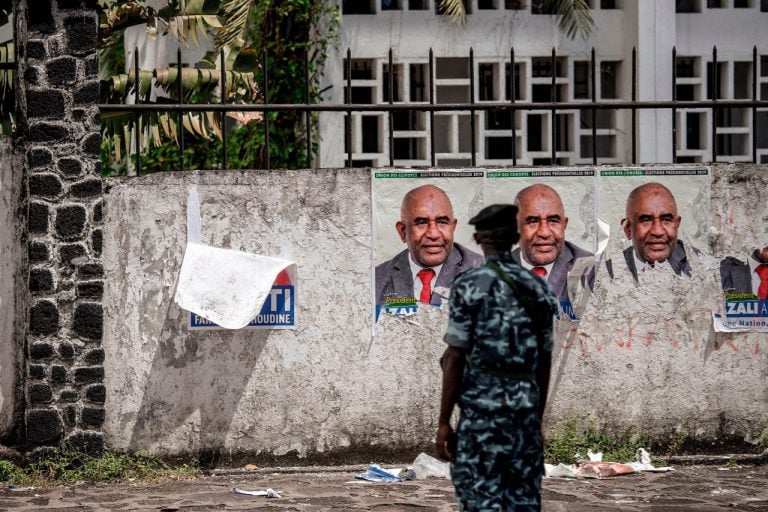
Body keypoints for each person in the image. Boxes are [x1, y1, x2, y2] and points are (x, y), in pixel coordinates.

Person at [436, 204, 558, 512]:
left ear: (478, 238)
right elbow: (544, 362)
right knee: (522, 500)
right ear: (516, 237)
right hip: (525, 415)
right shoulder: (539, 289)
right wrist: (537, 417)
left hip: (482, 418)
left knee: (480, 500)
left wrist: (443, 422)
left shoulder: (469, 286)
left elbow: (454, 357)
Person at [375, 184, 483, 307]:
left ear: (453, 227)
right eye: (421, 223)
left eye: (442, 222)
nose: (433, 234)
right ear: (403, 231)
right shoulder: (376, 280)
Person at [512, 184, 595, 308]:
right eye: (533, 221)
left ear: (564, 225)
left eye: (553, 221)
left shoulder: (592, 270)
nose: (544, 233)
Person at [620, 182, 692, 280]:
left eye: (666, 219)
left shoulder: (698, 263)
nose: (657, 231)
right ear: (628, 229)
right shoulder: (607, 270)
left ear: (676, 225)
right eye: (646, 220)